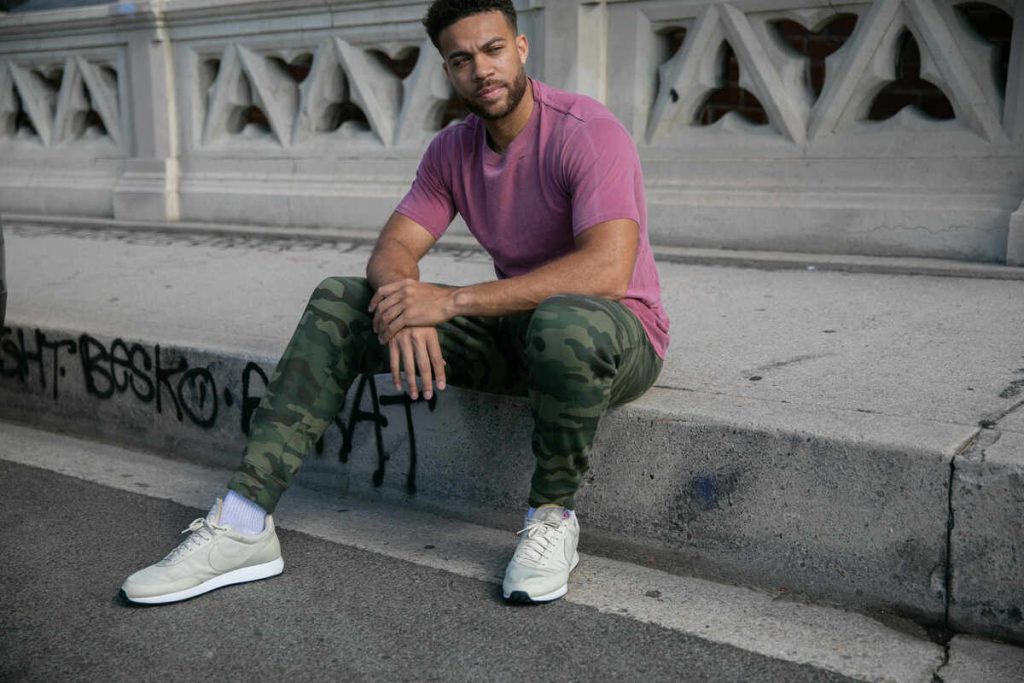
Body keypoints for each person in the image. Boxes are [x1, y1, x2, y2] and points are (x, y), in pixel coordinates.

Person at [121, 0, 669, 606]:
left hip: (614, 339)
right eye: (461, 59)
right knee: (342, 299)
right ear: (446, 68)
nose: (481, 71)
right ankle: (244, 523)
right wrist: (402, 304)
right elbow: (394, 248)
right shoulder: (452, 150)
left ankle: (551, 519)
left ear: (520, 48)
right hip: (518, 334)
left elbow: (607, 269)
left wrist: (448, 301)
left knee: (564, 320)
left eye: (492, 50)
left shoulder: (585, 131)